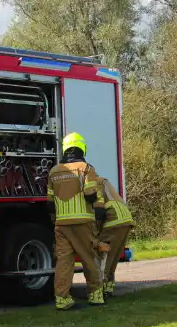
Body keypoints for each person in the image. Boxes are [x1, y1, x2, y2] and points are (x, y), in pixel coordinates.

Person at [47, 132, 106, 310]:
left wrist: (56, 220)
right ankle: (95, 295)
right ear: (82, 148)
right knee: (89, 258)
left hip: (61, 224)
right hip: (83, 222)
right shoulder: (86, 168)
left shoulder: (54, 171)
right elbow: (89, 194)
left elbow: (49, 204)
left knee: (64, 262)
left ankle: (62, 299)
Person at [93, 175, 134, 300]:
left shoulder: (90, 183)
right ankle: (109, 287)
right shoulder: (101, 180)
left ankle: (100, 290)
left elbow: (98, 212)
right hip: (125, 218)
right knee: (114, 256)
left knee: (103, 255)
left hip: (113, 219)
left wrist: (95, 233)